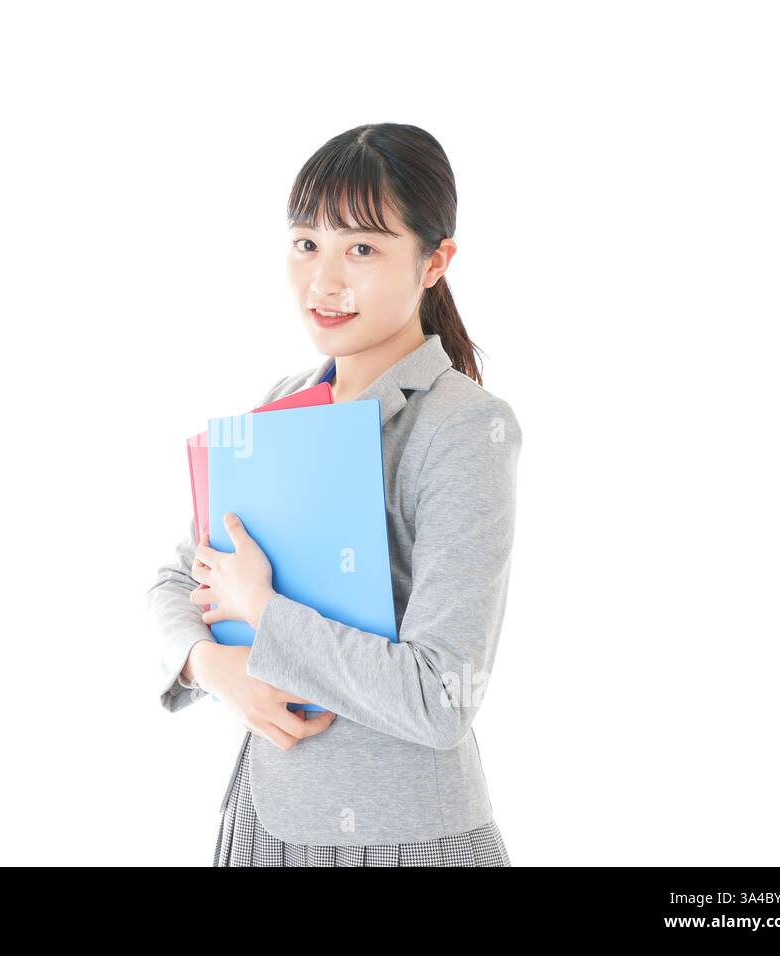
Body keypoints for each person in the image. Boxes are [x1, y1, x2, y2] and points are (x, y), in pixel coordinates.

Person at [146, 123, 522, 866]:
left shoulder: (465, 429)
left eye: (363, 249)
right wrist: (214, 669)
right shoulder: (283, 404)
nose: (323, 281)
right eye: (305, 243)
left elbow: (439, 696)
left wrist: (262, 612)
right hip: (261, 825)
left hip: (403, 840)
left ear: (434, 262)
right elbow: (174, 580)